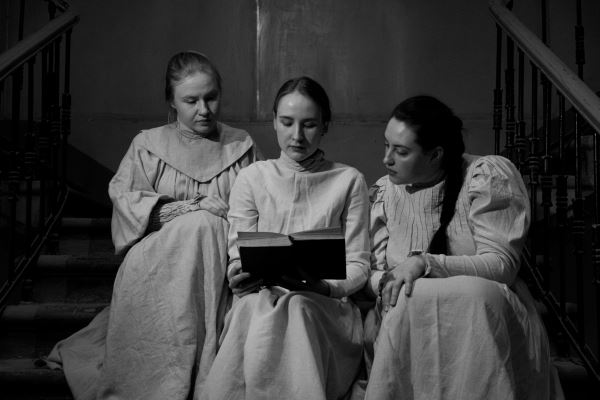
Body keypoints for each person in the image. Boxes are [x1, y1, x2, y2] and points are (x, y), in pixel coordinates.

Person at [47, 51, 262, 400]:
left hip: (222, 266)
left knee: (207, 227)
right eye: (191, 100)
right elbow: (128, 205)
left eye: (211, 97)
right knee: (201, 224)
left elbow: (263, 209)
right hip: (159, 261)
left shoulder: (241, 146)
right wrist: (192, 207)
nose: (204, 109)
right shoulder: (148, 145)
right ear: (172, 102)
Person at [363, 95, 563, 400]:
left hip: (483, 321)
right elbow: (372, 273)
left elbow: (502, 265)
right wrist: (389, 282)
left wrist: (424, 264)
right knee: (411, 294)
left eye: (401, 151)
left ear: (435, 155)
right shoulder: (384, 193)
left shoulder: (484, 175)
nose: (386, 159)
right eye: (386, 145)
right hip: (410, 324)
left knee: (473, 292)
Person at [200, 76, 370, 400]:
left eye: (309, 124)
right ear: (274, 121)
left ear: (325, 126)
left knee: (299, 306)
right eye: (287, 122)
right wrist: (239, 274)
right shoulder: (252, 178)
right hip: (261, 297)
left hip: (324, 306)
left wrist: (326, 287)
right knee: (252, 310)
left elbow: (359, 264)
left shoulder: (349, 180)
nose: (297, 135)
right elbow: (238, 253)